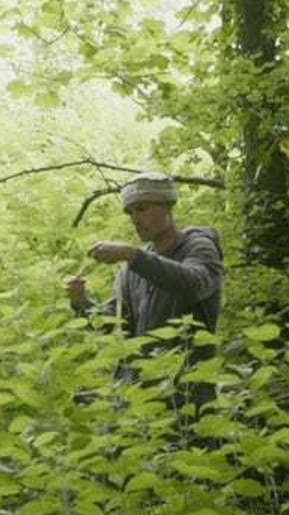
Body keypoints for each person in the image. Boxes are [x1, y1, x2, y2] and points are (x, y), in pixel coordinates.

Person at [66, 172, 223, 408]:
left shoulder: (198, 247)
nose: (135, 219)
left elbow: (194, 285)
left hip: (188, 394)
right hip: (139, 398)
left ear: (167, 207)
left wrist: (132, 255)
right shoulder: (132, 269)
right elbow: (115, 327)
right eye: (130, 213)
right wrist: (81, 302)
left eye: (142, 209)